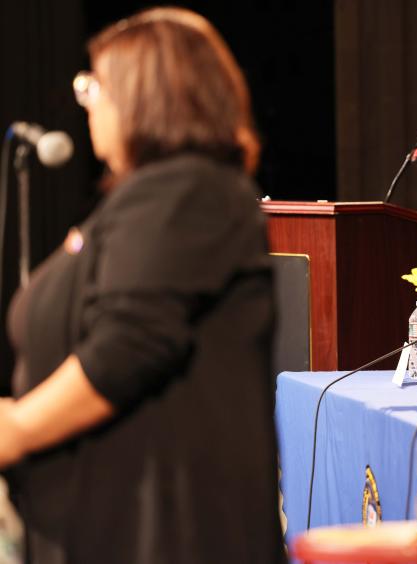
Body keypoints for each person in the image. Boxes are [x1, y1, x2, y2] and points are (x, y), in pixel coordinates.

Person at [0, 8, 285, 563]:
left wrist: (18, 427)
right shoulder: (142, 200)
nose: (86, 104)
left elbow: (129, 346)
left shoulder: (188, 191)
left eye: (94, 86)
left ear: (145, 93)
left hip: (163, 530)